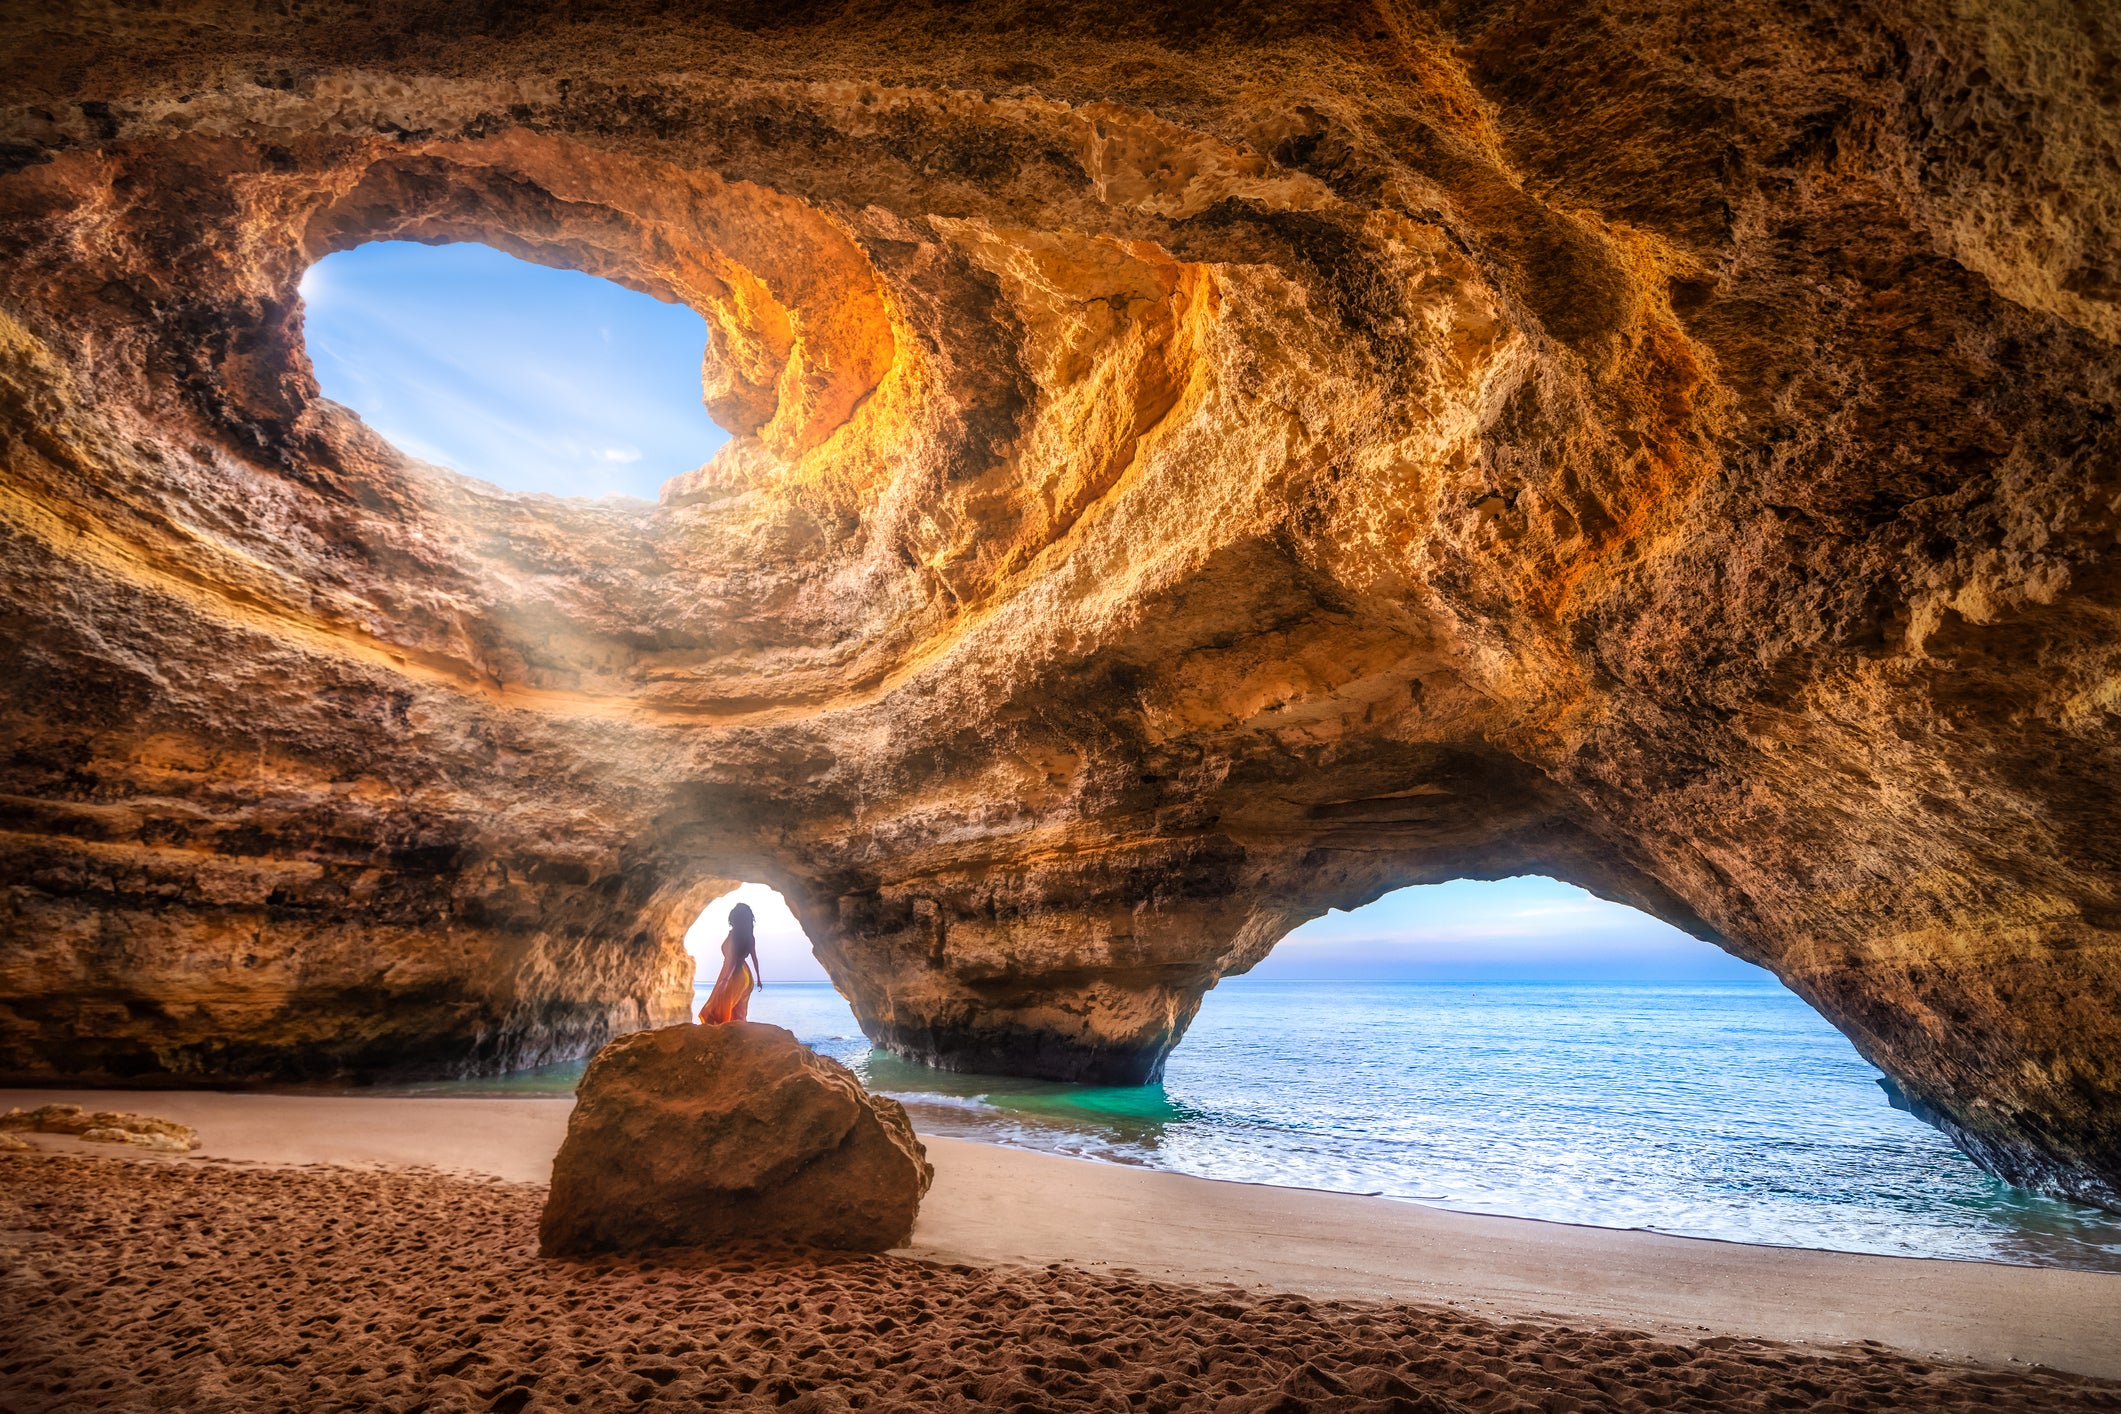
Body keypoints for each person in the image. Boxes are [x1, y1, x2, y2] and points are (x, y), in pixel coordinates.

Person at [698, 901, 761, 1024]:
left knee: (721, 1006)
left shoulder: (733, 936)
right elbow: (755, 959)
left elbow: (732, 959)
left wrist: (725, 979)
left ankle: (722, 1034)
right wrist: (758, 978)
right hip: (747, 976)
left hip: (734, 974)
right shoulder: (750, 937)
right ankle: (739, 1036)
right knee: (738, 1011)